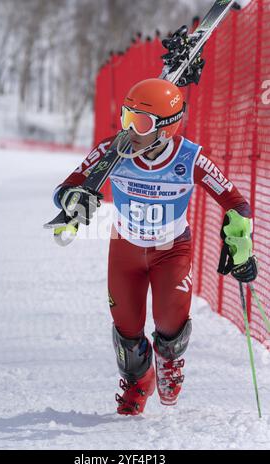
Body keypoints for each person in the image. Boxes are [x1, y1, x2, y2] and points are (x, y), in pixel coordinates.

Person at [52, 78, 258, 415]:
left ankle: (169, 361)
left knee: (169, 322)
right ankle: (138, 381)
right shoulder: (112, 152)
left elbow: (237, 203)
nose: (130, 129)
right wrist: (71, 198)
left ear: (165, 128)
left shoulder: (189, 157)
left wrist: (241, 245)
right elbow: (69, 186)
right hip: (125, 250)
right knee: (126, 329)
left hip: (171, 250)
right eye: (126, 117)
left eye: (141, 122)